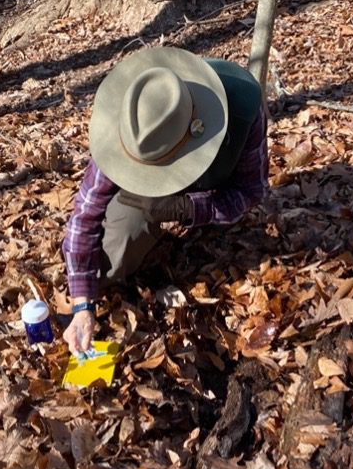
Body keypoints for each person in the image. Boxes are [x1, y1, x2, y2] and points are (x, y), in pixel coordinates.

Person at [61, 46, 269, 355]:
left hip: (214, 179)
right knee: (123, 233)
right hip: (148, 192)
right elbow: (85, 214)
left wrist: (190, 208)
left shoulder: (243, 106)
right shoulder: (127, 123)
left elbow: (252, 193)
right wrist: (82, 305)